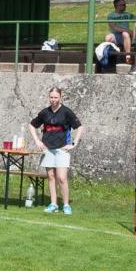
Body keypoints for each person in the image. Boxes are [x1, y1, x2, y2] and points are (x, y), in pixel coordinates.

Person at [29, 86, 83, 215]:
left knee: (62, 178)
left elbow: (79, 127)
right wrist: (37, 140)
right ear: (49, 97)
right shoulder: (44, 113)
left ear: (60, 97)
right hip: (48, 149)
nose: (53, 100)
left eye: (56, 97)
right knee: (51, 177)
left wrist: (74, 143)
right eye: (51, 97)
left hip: (62, 149)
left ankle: (66, 205)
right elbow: (31, 125)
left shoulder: (66, 112)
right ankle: (53, 204)